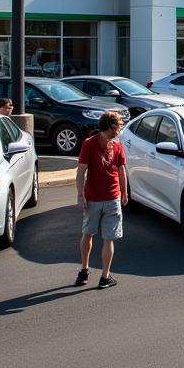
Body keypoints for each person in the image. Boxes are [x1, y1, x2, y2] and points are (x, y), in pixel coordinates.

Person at [75, 111, 128, 289]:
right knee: (90, 234)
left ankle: (102, 275)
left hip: (112, 197)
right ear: (112, 126)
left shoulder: (117, 146)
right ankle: (86, 270)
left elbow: (121, 171)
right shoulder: (89, 144)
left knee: (106, 237)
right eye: (119, 125)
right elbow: (81, 171)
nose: (120, 129)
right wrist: (80, 195)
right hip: (94, 198)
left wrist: (124, 192)